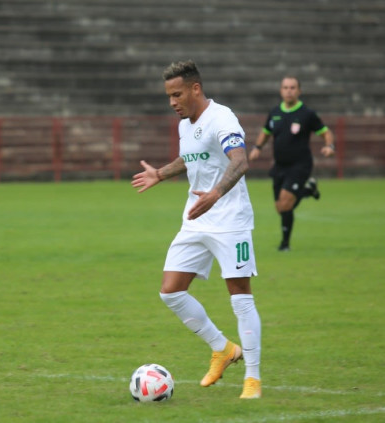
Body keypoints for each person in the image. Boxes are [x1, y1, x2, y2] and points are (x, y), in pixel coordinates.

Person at [132, 60, 262, 399]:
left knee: (240, 296)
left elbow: (240, 161)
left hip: (230, 221)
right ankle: (222, 348)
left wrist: (216, 194)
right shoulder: (185, 125)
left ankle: (253, 378)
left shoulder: (222, 118)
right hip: (196, 218)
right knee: (171, 291)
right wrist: (160, 173)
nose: (172, 102)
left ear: (195, 89)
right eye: (168, 96)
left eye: (177, 94)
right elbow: (191, 158)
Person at [249, 76, 336, 251]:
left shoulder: (307, 114)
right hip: (279, 166)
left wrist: (329, 145)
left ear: (299, 91)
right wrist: (257, 147)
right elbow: (266, 132)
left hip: (300, 165)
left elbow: (326, 132)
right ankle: (308, 190)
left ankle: (285, 245)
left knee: (286, 203)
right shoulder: (275, 112)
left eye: (292, 87)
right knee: (280, 208)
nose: (289, 91)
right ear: (281, 91)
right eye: (286, 87)